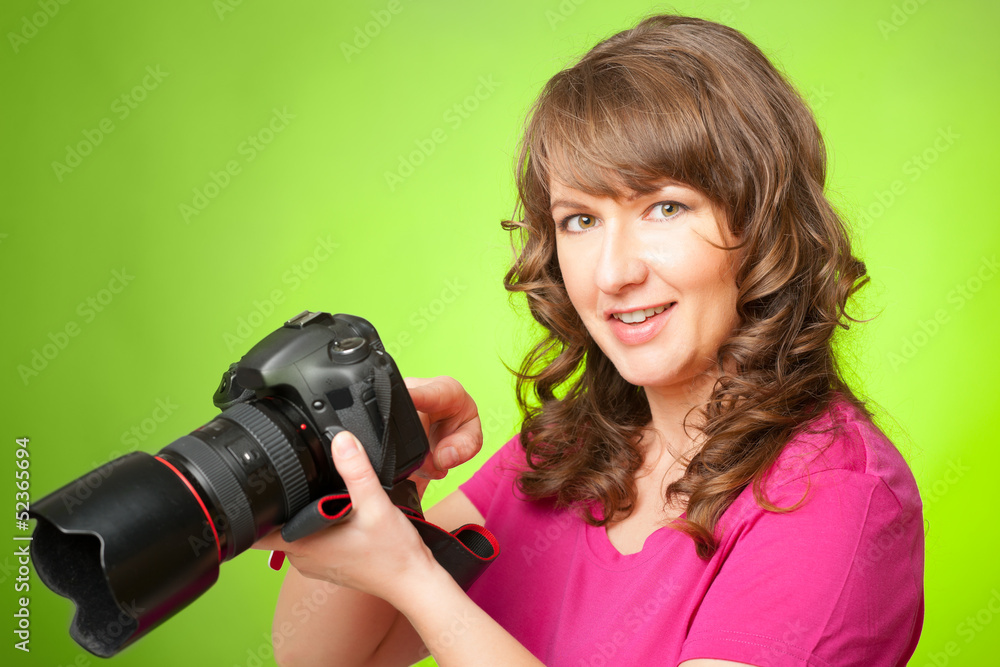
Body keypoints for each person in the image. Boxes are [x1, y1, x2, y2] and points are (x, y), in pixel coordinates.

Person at [253, 14, 924, 666]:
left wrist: (415, 578)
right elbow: (321, 656)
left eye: (665, 207)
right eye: (579, 220)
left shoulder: (834, 497)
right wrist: (385, 469)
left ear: (764, 225)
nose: (613, 273)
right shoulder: (569, 452)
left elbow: (411, 599)